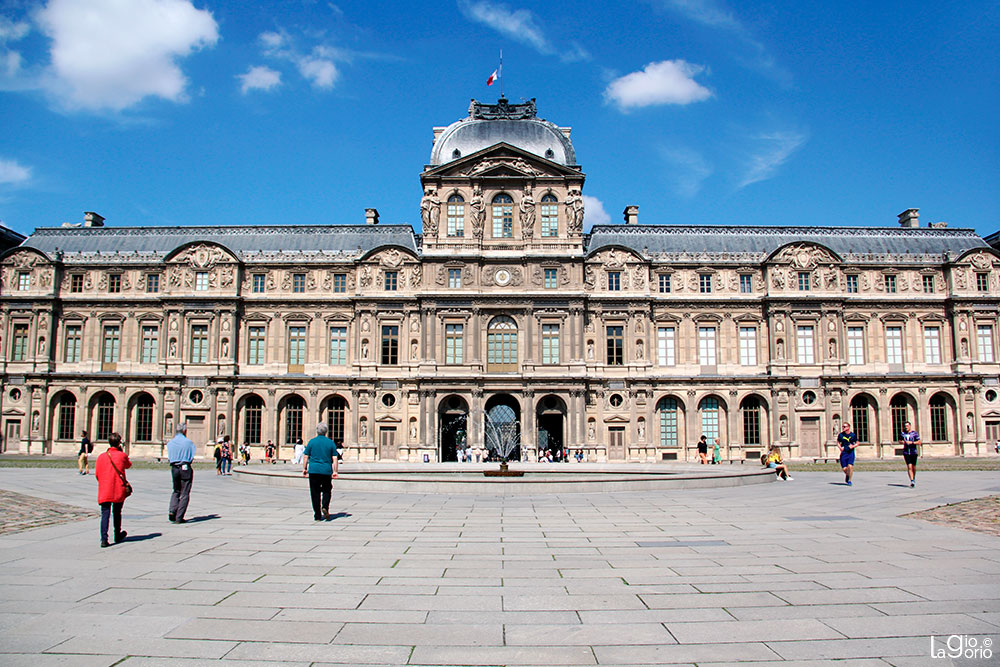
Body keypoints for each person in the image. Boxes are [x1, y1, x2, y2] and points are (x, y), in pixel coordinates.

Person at [95, 433, 130, 548]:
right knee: (117, 512)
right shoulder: (122, 455)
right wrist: (121, 451)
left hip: (105, 488)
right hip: (118, 488)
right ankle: (117, 534)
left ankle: (104, 539)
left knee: (105, 513)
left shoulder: (101, 456)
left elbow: (97, 474)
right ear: (119, 443)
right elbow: (128, 465)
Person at [302, 423, 339, 521]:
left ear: (317, 431)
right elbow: (334, 458)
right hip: (326, 471)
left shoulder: (312, 442)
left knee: (315, 492)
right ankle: (325, 506)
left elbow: (306, 457)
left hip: (314, 470)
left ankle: (317, 515)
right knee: (327, 490)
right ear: (326, 431)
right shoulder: (330, 442)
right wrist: (335, 471)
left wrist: (305, 468)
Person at [167, 422, 195, 523]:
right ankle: (179, 517)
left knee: (176, 490)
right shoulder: (189, 443)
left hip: (174, 468)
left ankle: (172, 510)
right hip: (185, 467)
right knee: (185, 493)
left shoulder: (170, 443)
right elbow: (191, 457)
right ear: (184, 431)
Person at [900, 421, 921, 488]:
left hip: (913, 452)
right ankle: (912, 481)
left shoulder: (914, 433)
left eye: (907, 426)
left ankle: (913, 478)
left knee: (913, 467)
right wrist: (902, 442)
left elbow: (919, 442)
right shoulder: (903, 433)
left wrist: (912, 443)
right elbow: (900, 440)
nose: (906, 427)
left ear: (910, 426)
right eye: (905, 426)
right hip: (906, 452)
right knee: (909, 466)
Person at [838, 422, 858, 486]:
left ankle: (849, 480)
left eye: (845, 426)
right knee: (844, 469)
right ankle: (847, 475)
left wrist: (853, 446)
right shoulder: (841, 435)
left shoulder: (853, 435)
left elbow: (857, 443)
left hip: (850, 452)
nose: (843, 428)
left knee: (850, 466)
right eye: (843, 426)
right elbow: (838, 442)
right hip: (844, 453)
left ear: (848, 427)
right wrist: (840, 447)